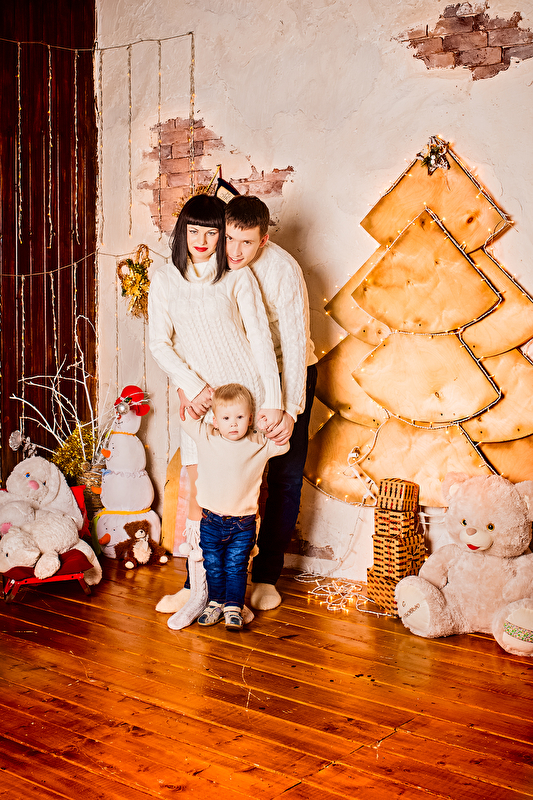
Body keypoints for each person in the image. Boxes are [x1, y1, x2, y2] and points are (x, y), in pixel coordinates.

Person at [148, 194, 283, 620]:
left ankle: (233, 596)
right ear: (182, 232)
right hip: (200, 401)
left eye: (212, 233)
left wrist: (274, 401)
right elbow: (159, 344)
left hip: (244, 398)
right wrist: (191, 387)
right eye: (194, 231)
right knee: (196, 494)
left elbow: (260, 341)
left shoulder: (237, 277)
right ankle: (196, 591)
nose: (203, 241)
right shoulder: (165, 278)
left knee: (243, 497)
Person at [222, 195, 317, 611]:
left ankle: (266, 577)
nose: (234, 250)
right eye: (230, 238)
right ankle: (217, 579)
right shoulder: (218, 258)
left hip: (291, 373)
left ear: (263, 239)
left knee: (284, 478)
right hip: (244, 379)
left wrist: (290, 408)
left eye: (246, 242)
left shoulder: (283, 270)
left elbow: (295, 343)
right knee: (234, 476)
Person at [180, 383, 289, 630]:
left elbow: (284, 445)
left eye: (239, 417)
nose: (233, 424)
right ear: (215, 421)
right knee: (213, 565)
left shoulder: (257, 443)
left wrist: (267, 426)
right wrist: (201, 399)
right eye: (226, 418)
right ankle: (215, 602)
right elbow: (187, 418)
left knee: (236, 567)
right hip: (211, 521)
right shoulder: (207, 436)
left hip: (243, 524)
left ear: (250, 419)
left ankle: (233, 606)